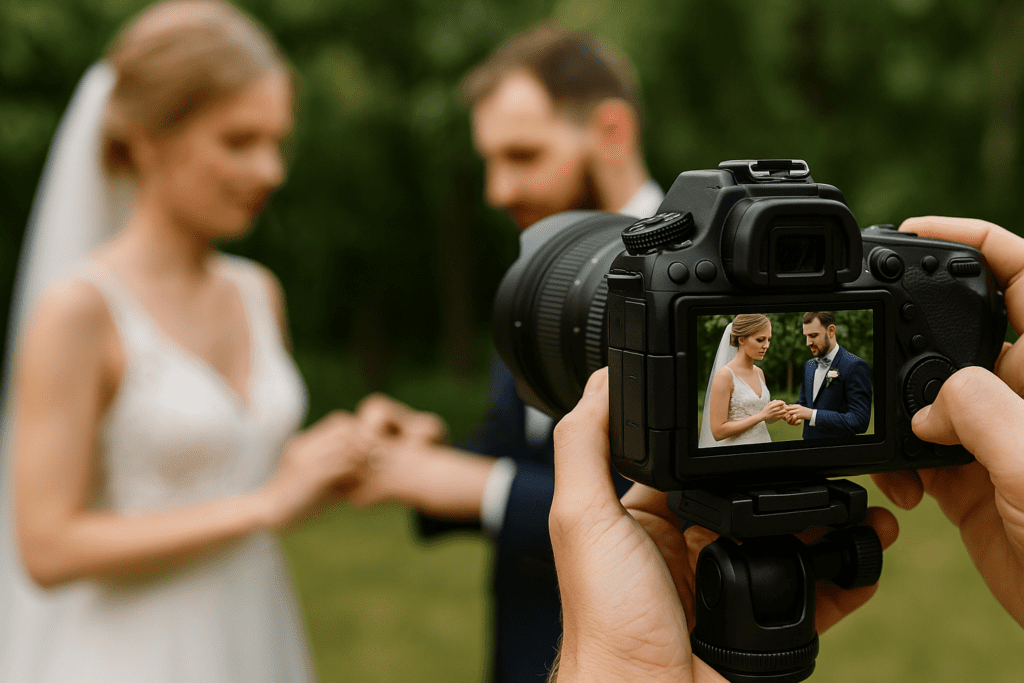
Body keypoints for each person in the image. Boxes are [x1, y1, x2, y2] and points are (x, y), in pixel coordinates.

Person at [0, 3, 369, 681]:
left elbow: (241, 462)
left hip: (257, 627)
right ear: (145, 140)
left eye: (277, 141)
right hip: (135, 651)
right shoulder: (79, 310)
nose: (270, 170)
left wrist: (343, 452)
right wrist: (263, 505)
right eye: (239, 140)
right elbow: (46, 546)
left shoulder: (258, 292)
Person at [545, 216, 1024, 682]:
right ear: (742, 339)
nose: (781, 344)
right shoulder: (736, 375)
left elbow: (855, 420)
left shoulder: (827, 367)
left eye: (797, 336)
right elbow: (719, 426)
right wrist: (769, 417)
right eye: (765, 339)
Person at [349, 24, 663, 683]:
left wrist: (482, 490)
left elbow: (675, 496)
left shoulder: (691, 284)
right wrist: (430, 456)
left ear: (611, 131)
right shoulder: (540, 272)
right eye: (490, 160)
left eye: (523, 155)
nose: (498, 189)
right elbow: (525, 440)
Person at [699, 314, 787, 447]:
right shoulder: (725, 375)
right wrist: (762, 415)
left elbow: (765, 417)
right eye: (760, 340)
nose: (766, 345)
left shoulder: (759, 373)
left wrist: (780, 413)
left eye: (769, 339)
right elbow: (718, 432)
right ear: (741, 340)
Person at [783, 311, 872, 438]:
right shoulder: (809, 366)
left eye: (813, 335)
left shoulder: (855, 366)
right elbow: (804, 403)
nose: (808, 342)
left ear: (831, 331)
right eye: (806, 336)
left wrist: (812, 415)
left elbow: (860, 421)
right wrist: (793, 413)